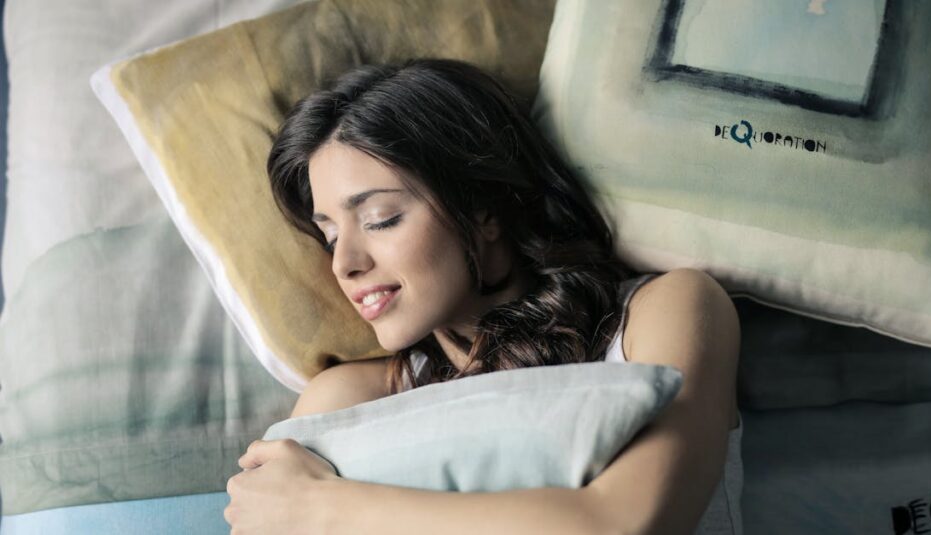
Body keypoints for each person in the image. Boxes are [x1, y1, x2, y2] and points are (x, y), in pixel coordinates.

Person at [224, 58, 742, 535]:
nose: (344, 264)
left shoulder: (666, 312)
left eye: (379, 219)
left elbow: (620, 523)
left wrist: (323, 506)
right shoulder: (352, 400)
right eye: (331, 236)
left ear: (483, 210)